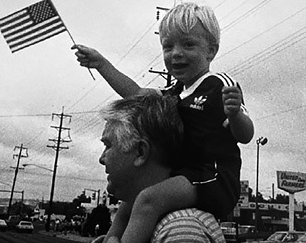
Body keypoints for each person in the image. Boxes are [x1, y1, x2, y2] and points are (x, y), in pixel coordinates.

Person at [73, 2, 254, 243]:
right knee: (130, 200)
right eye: (168, 46)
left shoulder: (217, 84)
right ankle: (112, 239)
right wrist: (102, 64)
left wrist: (234, 115)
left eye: (188, 44)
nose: (176, 53)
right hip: (181, 174)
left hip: (213, 177)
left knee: (148, 200)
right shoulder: (175, 91)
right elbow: (135, 93)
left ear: (211, 50)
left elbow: (245, 135)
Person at [95, 94, 226, 242]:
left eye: (108, 145)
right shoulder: (148, 221)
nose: (102, 158)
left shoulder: (182, 230)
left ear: (140, 152)